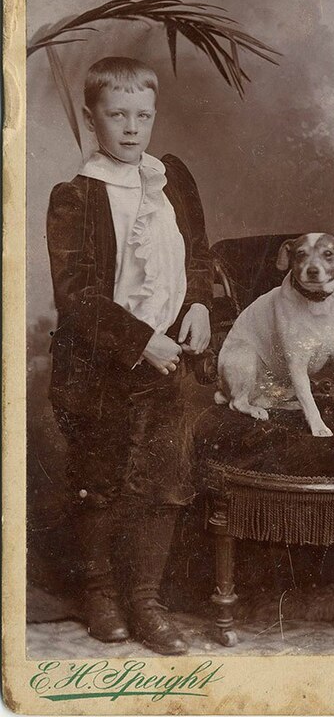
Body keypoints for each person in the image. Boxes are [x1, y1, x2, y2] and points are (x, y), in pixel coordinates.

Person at [47, 56, 213, 655]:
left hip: (168, 360)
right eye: (117, 115)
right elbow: (78, 296)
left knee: (163, 481)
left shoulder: (171, 178)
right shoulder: (76, 197)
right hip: (99, 367)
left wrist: (198, 303)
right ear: (93, 120)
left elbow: (197, 250)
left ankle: (146, 598)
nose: (132, 127)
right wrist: (141, 341)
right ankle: (100, 593)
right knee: (101, 481)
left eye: (143, 114)